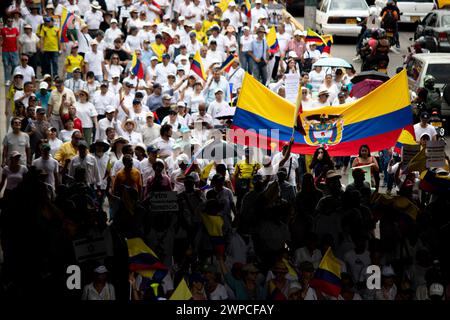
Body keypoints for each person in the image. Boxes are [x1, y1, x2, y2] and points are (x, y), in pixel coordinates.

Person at [1, 16, 20, 86]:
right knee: (6, 66)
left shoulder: (15, 30)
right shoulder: (3, 30)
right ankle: (7, 80)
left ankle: (13, 78)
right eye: (8, 21)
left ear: (13, 22)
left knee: (15, 65)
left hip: (14, 50)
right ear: (7, 22)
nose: (10, 22)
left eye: (11, 21)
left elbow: (17, 40)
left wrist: (18, 49)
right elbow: (1, 39)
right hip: (5, 51)